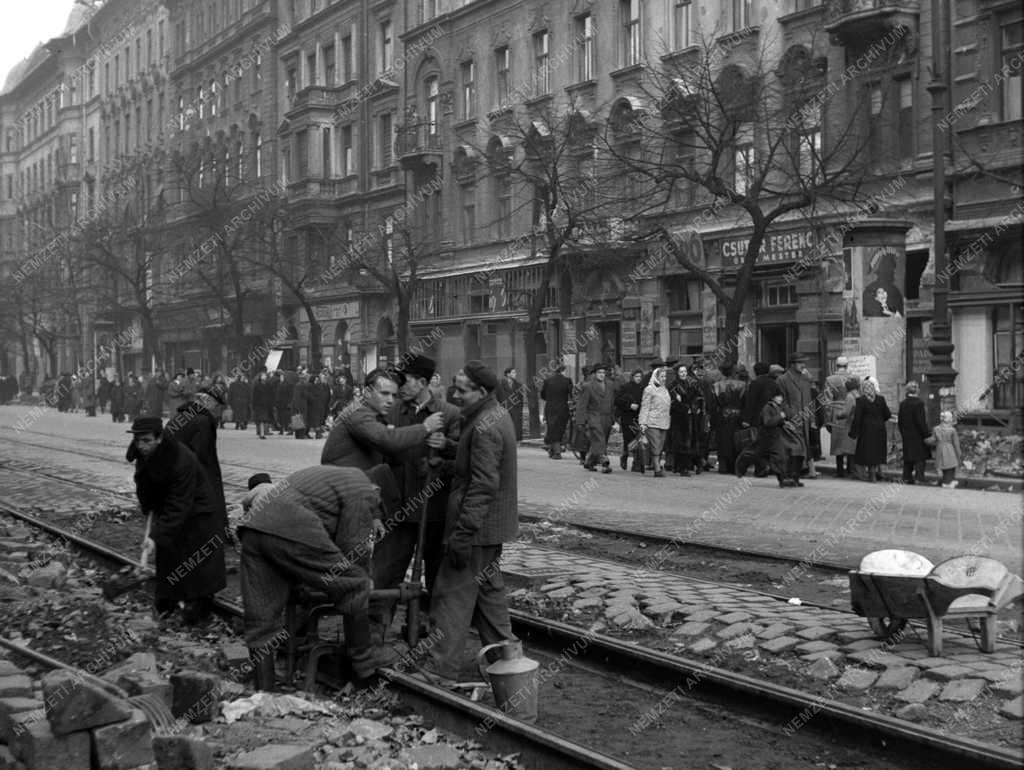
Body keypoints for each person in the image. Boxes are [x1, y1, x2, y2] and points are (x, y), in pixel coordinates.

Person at [238, 468, 399, 688]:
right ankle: (364, 668)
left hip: (253, 528)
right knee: (355, 583)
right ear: (377, 491)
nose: (373, 513)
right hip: (290, 527)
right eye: (375, 509)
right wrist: (362, 577)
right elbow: (353, 546)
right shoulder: (363, 489)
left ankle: (263, 692)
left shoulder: (336, 477)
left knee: (261, 617)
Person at [415, 361, 518, 683]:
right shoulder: (492, 416)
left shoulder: (484, 426)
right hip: (490, 530)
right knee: (488, 596)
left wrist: (462, 533)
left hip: (475, 530)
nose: (454, 395)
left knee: (452, 595)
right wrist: (447, 452)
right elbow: (473, 464)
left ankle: (439, 669)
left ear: (482, 391)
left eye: (462, 390)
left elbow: (483, 484)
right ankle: (509, 662)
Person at [370, 355, 459, 643]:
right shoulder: (392, 411)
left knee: (435, 574)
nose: (399, 386)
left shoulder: (449, 414)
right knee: (385, 571)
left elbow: (465, 459)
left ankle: (426, 629)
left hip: (434, 511)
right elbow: (380, 456)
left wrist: (445, 450)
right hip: (397, 508)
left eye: (404, 380)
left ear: (422, 382)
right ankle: (375, 630)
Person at [128, 417, 226, 625]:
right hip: (170, 506)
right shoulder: (143, 450)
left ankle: (199, 610)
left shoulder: (181, 460)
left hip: (198, 511)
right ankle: (167, 602)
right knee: (169, 554)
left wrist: (155, 537)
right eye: (138, 441)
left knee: (195, 561)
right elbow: (143, 481)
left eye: (146, 441)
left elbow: (178, 505)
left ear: (160, 438)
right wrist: (147, 505)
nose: (141, 446)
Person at [321, 368, 444, 470]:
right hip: (344, 487)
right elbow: (387, 440)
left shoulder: (373, 413)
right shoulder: (358, 413)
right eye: (384, 393)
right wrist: (425, 427)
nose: (391, 400)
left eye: (394, 395)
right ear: (368, 392)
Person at [165, 388, 230, 562]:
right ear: (207, 402)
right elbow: (204, 456)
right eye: (216, 407)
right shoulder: (202, 421)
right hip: (193, 476)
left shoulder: (180, 416)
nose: (217, 411)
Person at [775, 353, 813, 479]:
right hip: (792, 418)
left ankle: (798, 473)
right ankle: (789, 474)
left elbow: (809, 399)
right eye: (800, 362)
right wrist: (790, 414)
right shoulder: (783, 379)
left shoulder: (806, 378)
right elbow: (781, 401)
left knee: (803, 447)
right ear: (792, 364)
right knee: (792, 447)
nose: (803, 365)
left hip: (805, 417)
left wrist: (811, 418)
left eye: (804, 363)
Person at [848, 379, 892, 482]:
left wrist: (853, 433)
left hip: (866, 429)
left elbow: (857, 418)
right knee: (877, 450)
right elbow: (888, 414)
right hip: (880, 429)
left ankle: (872, 475)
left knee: (868, 451)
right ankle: (875, 473)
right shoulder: (881, 399)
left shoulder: (861, 400)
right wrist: (880, 420)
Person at [575, 362, 616, 473]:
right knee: (599, 439)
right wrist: (580, 421)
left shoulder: (610, 385)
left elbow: (612, 402)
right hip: (594, 416)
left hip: (607, 418)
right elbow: (582, 405)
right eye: (599, 372)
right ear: (594, 374)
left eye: (603, 372)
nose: (602, 375)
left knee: (600, 442)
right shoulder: (588, 386)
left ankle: (590, 462)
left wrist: (614, 418)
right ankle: (604, 462)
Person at [760, 392, 806, 488]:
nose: (780, 398)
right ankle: (783, 478)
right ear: (772, 397)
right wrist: (780, 416)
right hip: (773, 436)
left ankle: (794, 477)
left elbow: (788, 416)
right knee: (783, 453)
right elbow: (767, 422)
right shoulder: (768, 408)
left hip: (784, 435)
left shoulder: (781, 407)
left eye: (781, 396)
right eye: (778, 396)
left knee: (799, 449)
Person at [713, 363, 746, 475]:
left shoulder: (717, 385)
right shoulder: (742, 385)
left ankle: (723, 466)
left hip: (723, 415)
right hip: (737, 415)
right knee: (736, 441)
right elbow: (745, 402)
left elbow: (714, 403)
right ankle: (735, 466)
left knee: (723, 441)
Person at [638, 365, 671, 477]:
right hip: (652, 422)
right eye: (661, 376)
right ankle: (657, 469)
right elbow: (645, 406)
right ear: (656, 377)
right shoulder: (649, 389)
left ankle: (655, 464)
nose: (664, 378)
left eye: (665, 376)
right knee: (656, 445)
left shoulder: (665, 389)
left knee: (660, 446)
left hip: (664, 422)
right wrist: (642, 423)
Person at [897, 381, 930, 485]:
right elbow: (921, 421)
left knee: (908, 456)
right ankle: (919, 478)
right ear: (917, 390)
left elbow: (900, 421)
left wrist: (903, 432)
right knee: (920, 456)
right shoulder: (919, 404)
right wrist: (926, 434)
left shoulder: (903, 404)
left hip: (907, 434)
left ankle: (906, 477)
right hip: (917, 434)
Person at [824, 357, 852, 477]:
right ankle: (850, 470)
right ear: (847, 365)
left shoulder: (830, 380)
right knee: (850, 441)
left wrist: (828, 420)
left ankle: (840, 471)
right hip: (851, 410)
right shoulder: (854, 378)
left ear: (836, 366)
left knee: (838, 442)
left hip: (836, 411)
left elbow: (827, 402)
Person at [540, 365, 573, 460]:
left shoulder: (547, 381)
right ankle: (556, 451)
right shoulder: (567, 380)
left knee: (552, 428)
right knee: (559, 429)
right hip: (563, 408)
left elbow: (543, 396)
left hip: (550, 408)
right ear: (563, 371)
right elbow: (571, 394)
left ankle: (553, 450)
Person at [830, 378, 861, 478]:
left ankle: (850, 471)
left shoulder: (849, 397)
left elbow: (845, 412)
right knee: (853, 448)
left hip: (849, 425)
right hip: (857, 423)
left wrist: (838, 415)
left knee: (848, 448)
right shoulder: (858, 395)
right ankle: (852, 470)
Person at [614, 369, 645, 470]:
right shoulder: (625, 387)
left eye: (640, 377)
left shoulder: (643, 388)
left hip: (639, 417)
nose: (638, 379)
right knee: (628, 439)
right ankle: (625, 455)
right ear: (632, 377)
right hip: (627, 417)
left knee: (638, 439)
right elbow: (618, 400)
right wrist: (629, 405)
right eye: (636, 376)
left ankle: (636, 463)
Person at [930, 411, 962, 488]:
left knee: (943, 465)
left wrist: (926, 440)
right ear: (950, 419)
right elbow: (956, 443)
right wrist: (959, 452)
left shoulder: (936, 428)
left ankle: (947, 480)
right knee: (951, 465)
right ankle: (947, 482)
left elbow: (933, 439)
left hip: (940, 448)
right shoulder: (952, 430)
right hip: (949, 448)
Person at [495, 367, 524, 442]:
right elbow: (496, 397)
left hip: (516, 410)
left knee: (515, 429)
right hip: (504, 410)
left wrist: (520, 410)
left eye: (515, 372)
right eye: (513, 372)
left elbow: (521, 399)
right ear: (508, 374)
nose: (515, 374)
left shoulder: (519, 385)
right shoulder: (499, 384)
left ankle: (515, 441)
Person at [251, 372, 274, 439]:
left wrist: (271, 403)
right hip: (259, 405)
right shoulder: (257, 385)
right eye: (263, 376)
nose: (264, 377)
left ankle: (263, 433)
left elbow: (271, 395)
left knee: (265, 420)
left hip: (266, 405)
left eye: (265, 376)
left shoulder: (268, 385)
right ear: (260, 377)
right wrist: (254, 405)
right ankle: (261, 434)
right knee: (261, 420)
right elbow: (254, 396)